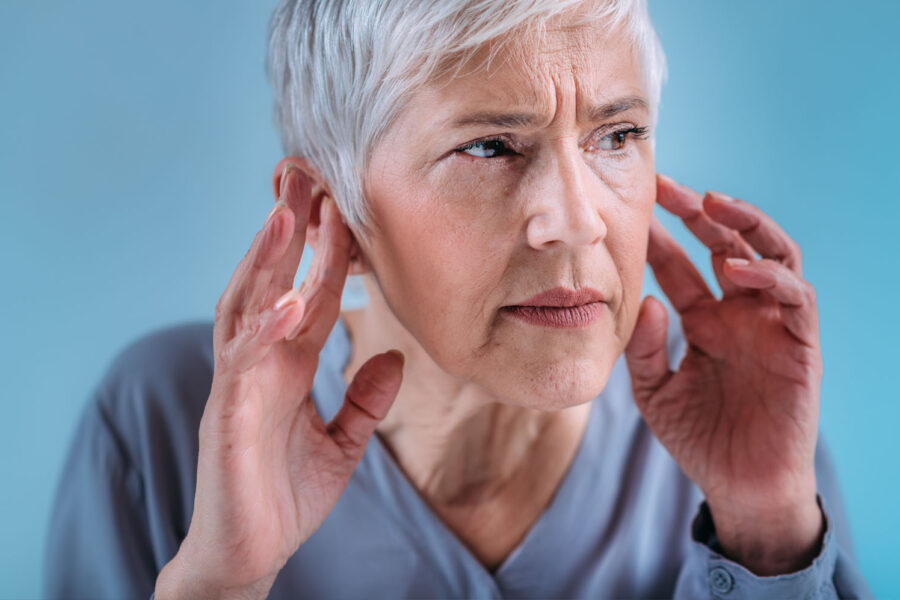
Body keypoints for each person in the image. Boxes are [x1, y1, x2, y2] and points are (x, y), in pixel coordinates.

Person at [44, 0, 874, 598]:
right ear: (336, 217)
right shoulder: (162, 421)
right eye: (490, 146)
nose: (578, 222)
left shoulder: (738, 421)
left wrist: (766, 538)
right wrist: (221, 587)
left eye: (617, 136)